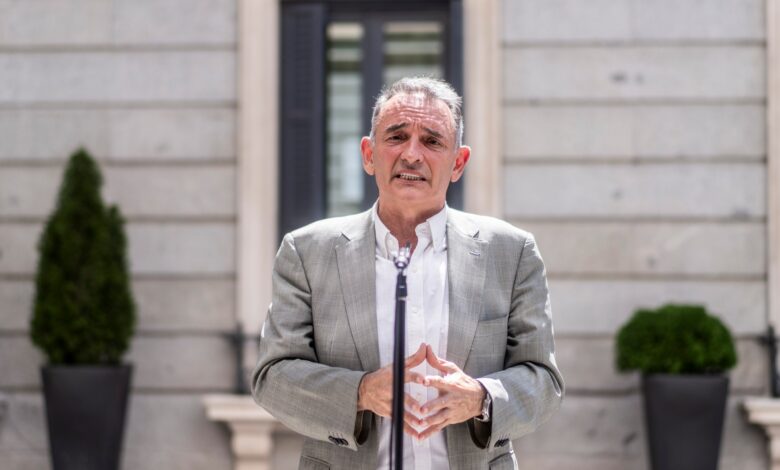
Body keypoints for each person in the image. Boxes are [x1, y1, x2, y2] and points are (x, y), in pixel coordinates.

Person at [252, 77, 563, 469]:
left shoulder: (512, 251)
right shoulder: (307, 251)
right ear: (369, 154)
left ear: (458, 163)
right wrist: (361, 392)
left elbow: (544, 381)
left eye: (432, 141)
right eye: (396, 136)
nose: (412, 154)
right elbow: (272, 378)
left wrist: (482, 397)